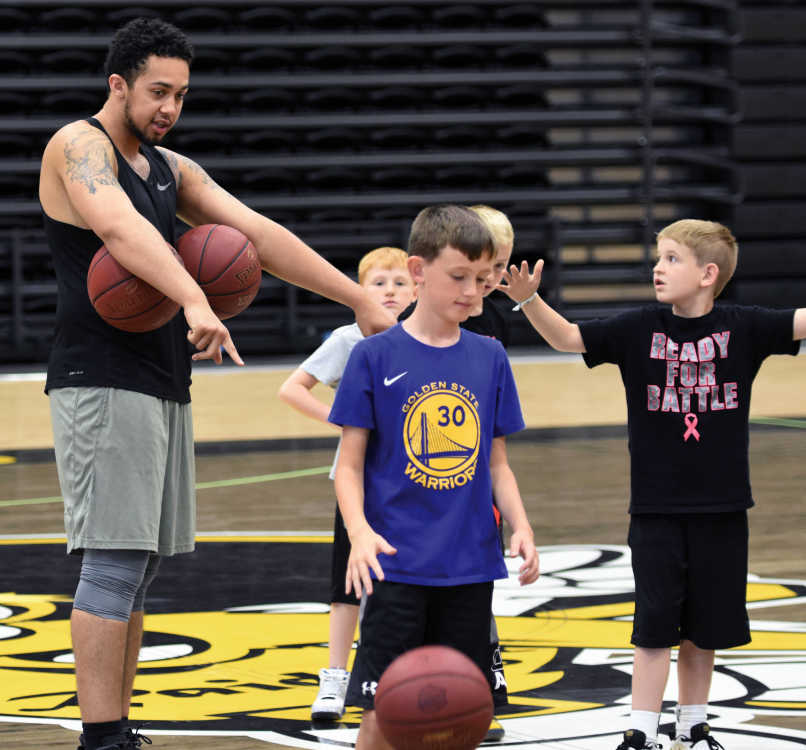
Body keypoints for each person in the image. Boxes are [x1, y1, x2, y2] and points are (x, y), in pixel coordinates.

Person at [38, 18, 393, 750]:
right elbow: (119, 230)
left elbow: (257, 236)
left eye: (181, 95)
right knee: (110, 563)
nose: (169, 107)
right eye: (157, 92)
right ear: (119, 84)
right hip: (100, 379)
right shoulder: (78, 146)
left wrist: (356, 300)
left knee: (138, 568)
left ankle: (119, 729)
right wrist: (195, 299)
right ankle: (100, 738)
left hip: (161, 381)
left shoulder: (172, 169)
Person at [500, 218, 806, 750]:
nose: (657, 268)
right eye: (659, 257)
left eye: (671, 259)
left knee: (705, 630)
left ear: (708, 274)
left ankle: (694, 726)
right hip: (656, 509)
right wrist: (529, 301)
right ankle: (639, 731)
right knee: (654, 625)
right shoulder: (639, 327)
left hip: (724, 509)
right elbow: (569, 337)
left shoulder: (746, 326)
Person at [330, 204, 540, 750]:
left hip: (470, 567)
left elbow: (497, 462)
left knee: (460, 717)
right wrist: (358, 533)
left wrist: (521, 525)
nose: (473, 291)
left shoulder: (491, 356)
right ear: (418, 272)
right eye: (458, 277)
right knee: (381, 711)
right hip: (398, 566)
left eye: (481, 278)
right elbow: (348, 466)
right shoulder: (374, 356)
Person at [277, 247, 415, 721]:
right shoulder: (347, 339)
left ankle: (408, 674)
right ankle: (335, 681)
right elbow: (291, 388)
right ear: (357, 291)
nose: (390, 291)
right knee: (347, 586)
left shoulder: (426, 338)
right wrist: (343, 420)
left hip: (417, 483)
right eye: (378, 283)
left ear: (417, 287)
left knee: (412, 585)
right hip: (357, 482)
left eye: (399, 282)